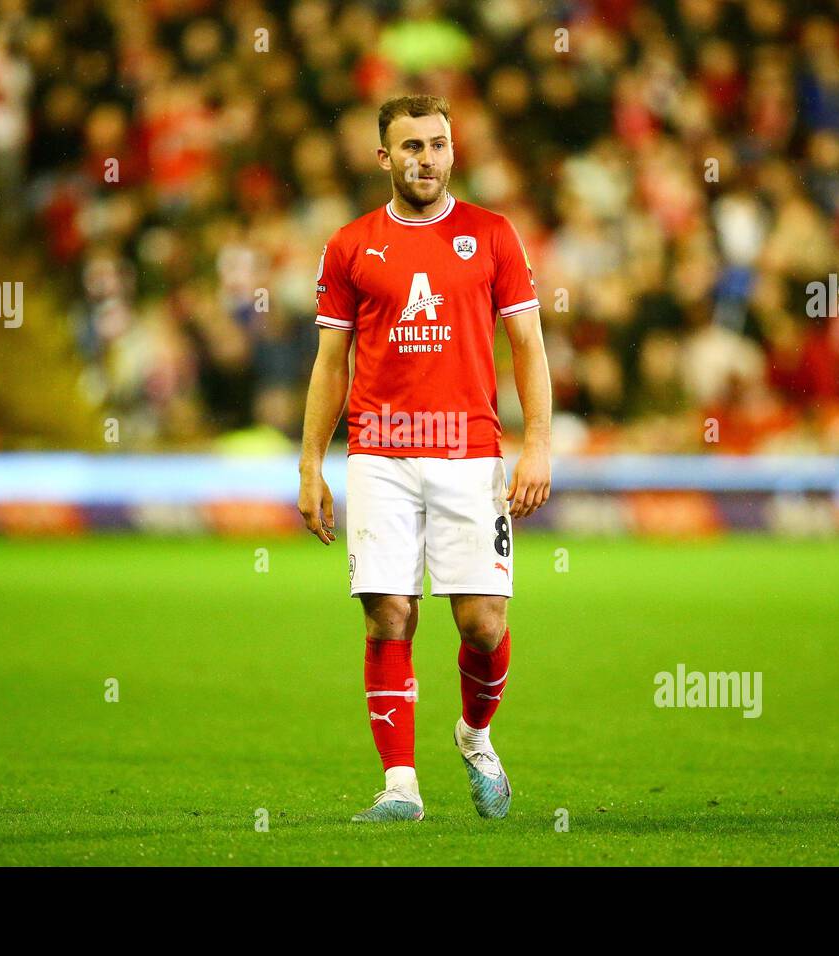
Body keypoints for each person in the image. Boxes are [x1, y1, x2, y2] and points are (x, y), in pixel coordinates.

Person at [297, 95, 552, 822]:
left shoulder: (493, 235)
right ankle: (400, 786)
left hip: (471, 454)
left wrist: (537, 443)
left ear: (452, 149)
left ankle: (474, 735)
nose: (427, 159)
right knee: (388, 614)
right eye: (410, 147)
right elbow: (329, 364)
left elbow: (528, 346)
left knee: (483, 624)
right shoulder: (351, 245)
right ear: (384, 158)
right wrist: (312, 464)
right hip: (380, 452)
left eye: (437, 144)